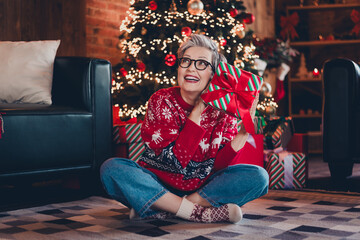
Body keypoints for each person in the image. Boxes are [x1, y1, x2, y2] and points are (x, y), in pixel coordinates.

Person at [100, 34, 269, 224]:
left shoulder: (225, 112)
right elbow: (174, 162)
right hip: (156, 183)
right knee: (112, 169)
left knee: (258, 176)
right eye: (186, 61)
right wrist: (198, 110)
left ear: (213, 75)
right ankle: (200, 213)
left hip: (201, 189)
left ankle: (166, 208)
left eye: (202, 64)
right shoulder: (161, 100)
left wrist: (245, 130)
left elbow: (219, 165)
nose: (191, 68)